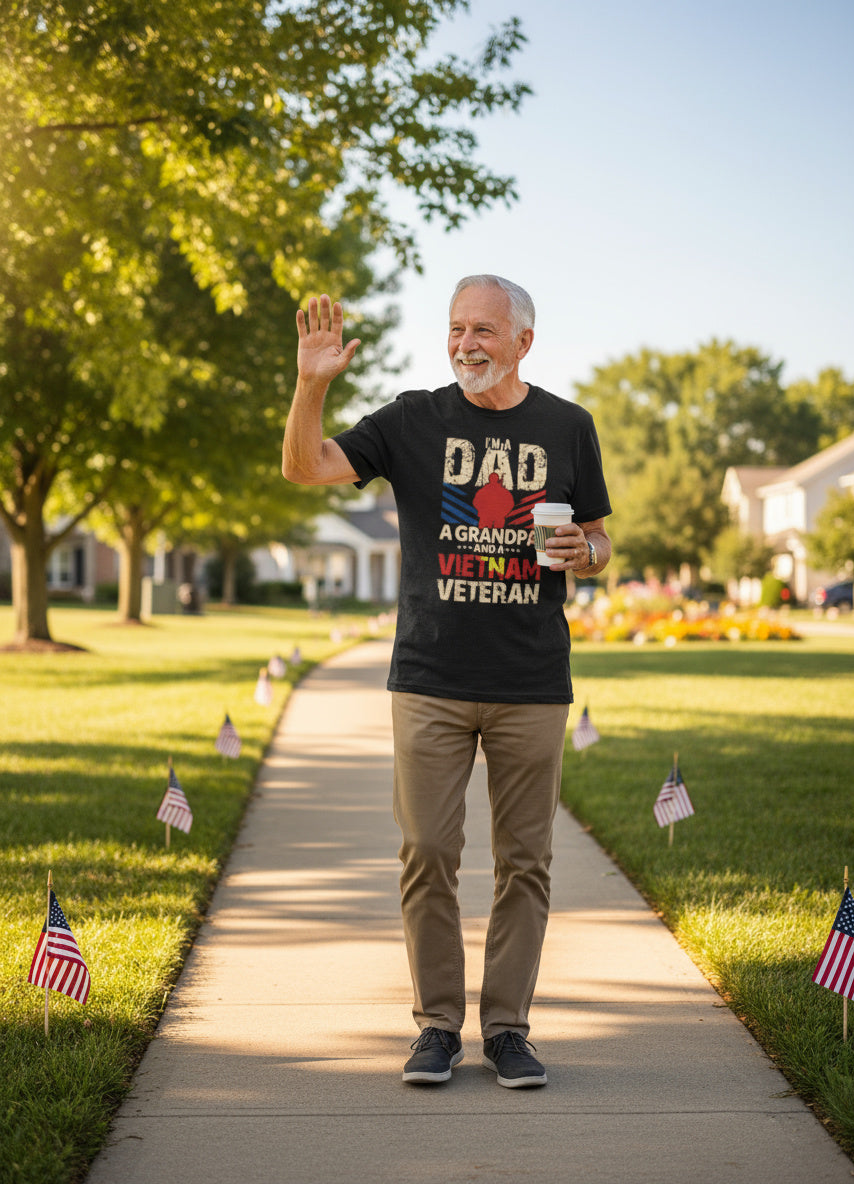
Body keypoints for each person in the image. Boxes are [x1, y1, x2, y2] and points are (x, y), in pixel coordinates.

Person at [282, 275, 612, 1089]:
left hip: (532, 678)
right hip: (429, 675)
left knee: (524, 862)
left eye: (485, 331)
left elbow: (598, 538)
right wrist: (309, 385)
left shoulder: (568, 426)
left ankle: (506, 1030)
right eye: (457, 328)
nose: (466, 344)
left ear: (523, 341)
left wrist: (586, 554)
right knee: (427, 851)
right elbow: (306, 468)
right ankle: (436, 1025)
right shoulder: (411, 418)